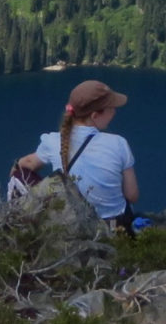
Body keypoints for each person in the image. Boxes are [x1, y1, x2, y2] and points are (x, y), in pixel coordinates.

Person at [16, 78, 141, 225]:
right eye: (111, 108)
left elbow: (28, 163)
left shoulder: (53, 141)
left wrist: (16, 167)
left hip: (75, 223)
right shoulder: (119, 143)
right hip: (115, 224)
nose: (114, 112)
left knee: (20, 174)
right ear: (95, 115)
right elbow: (132, 195)